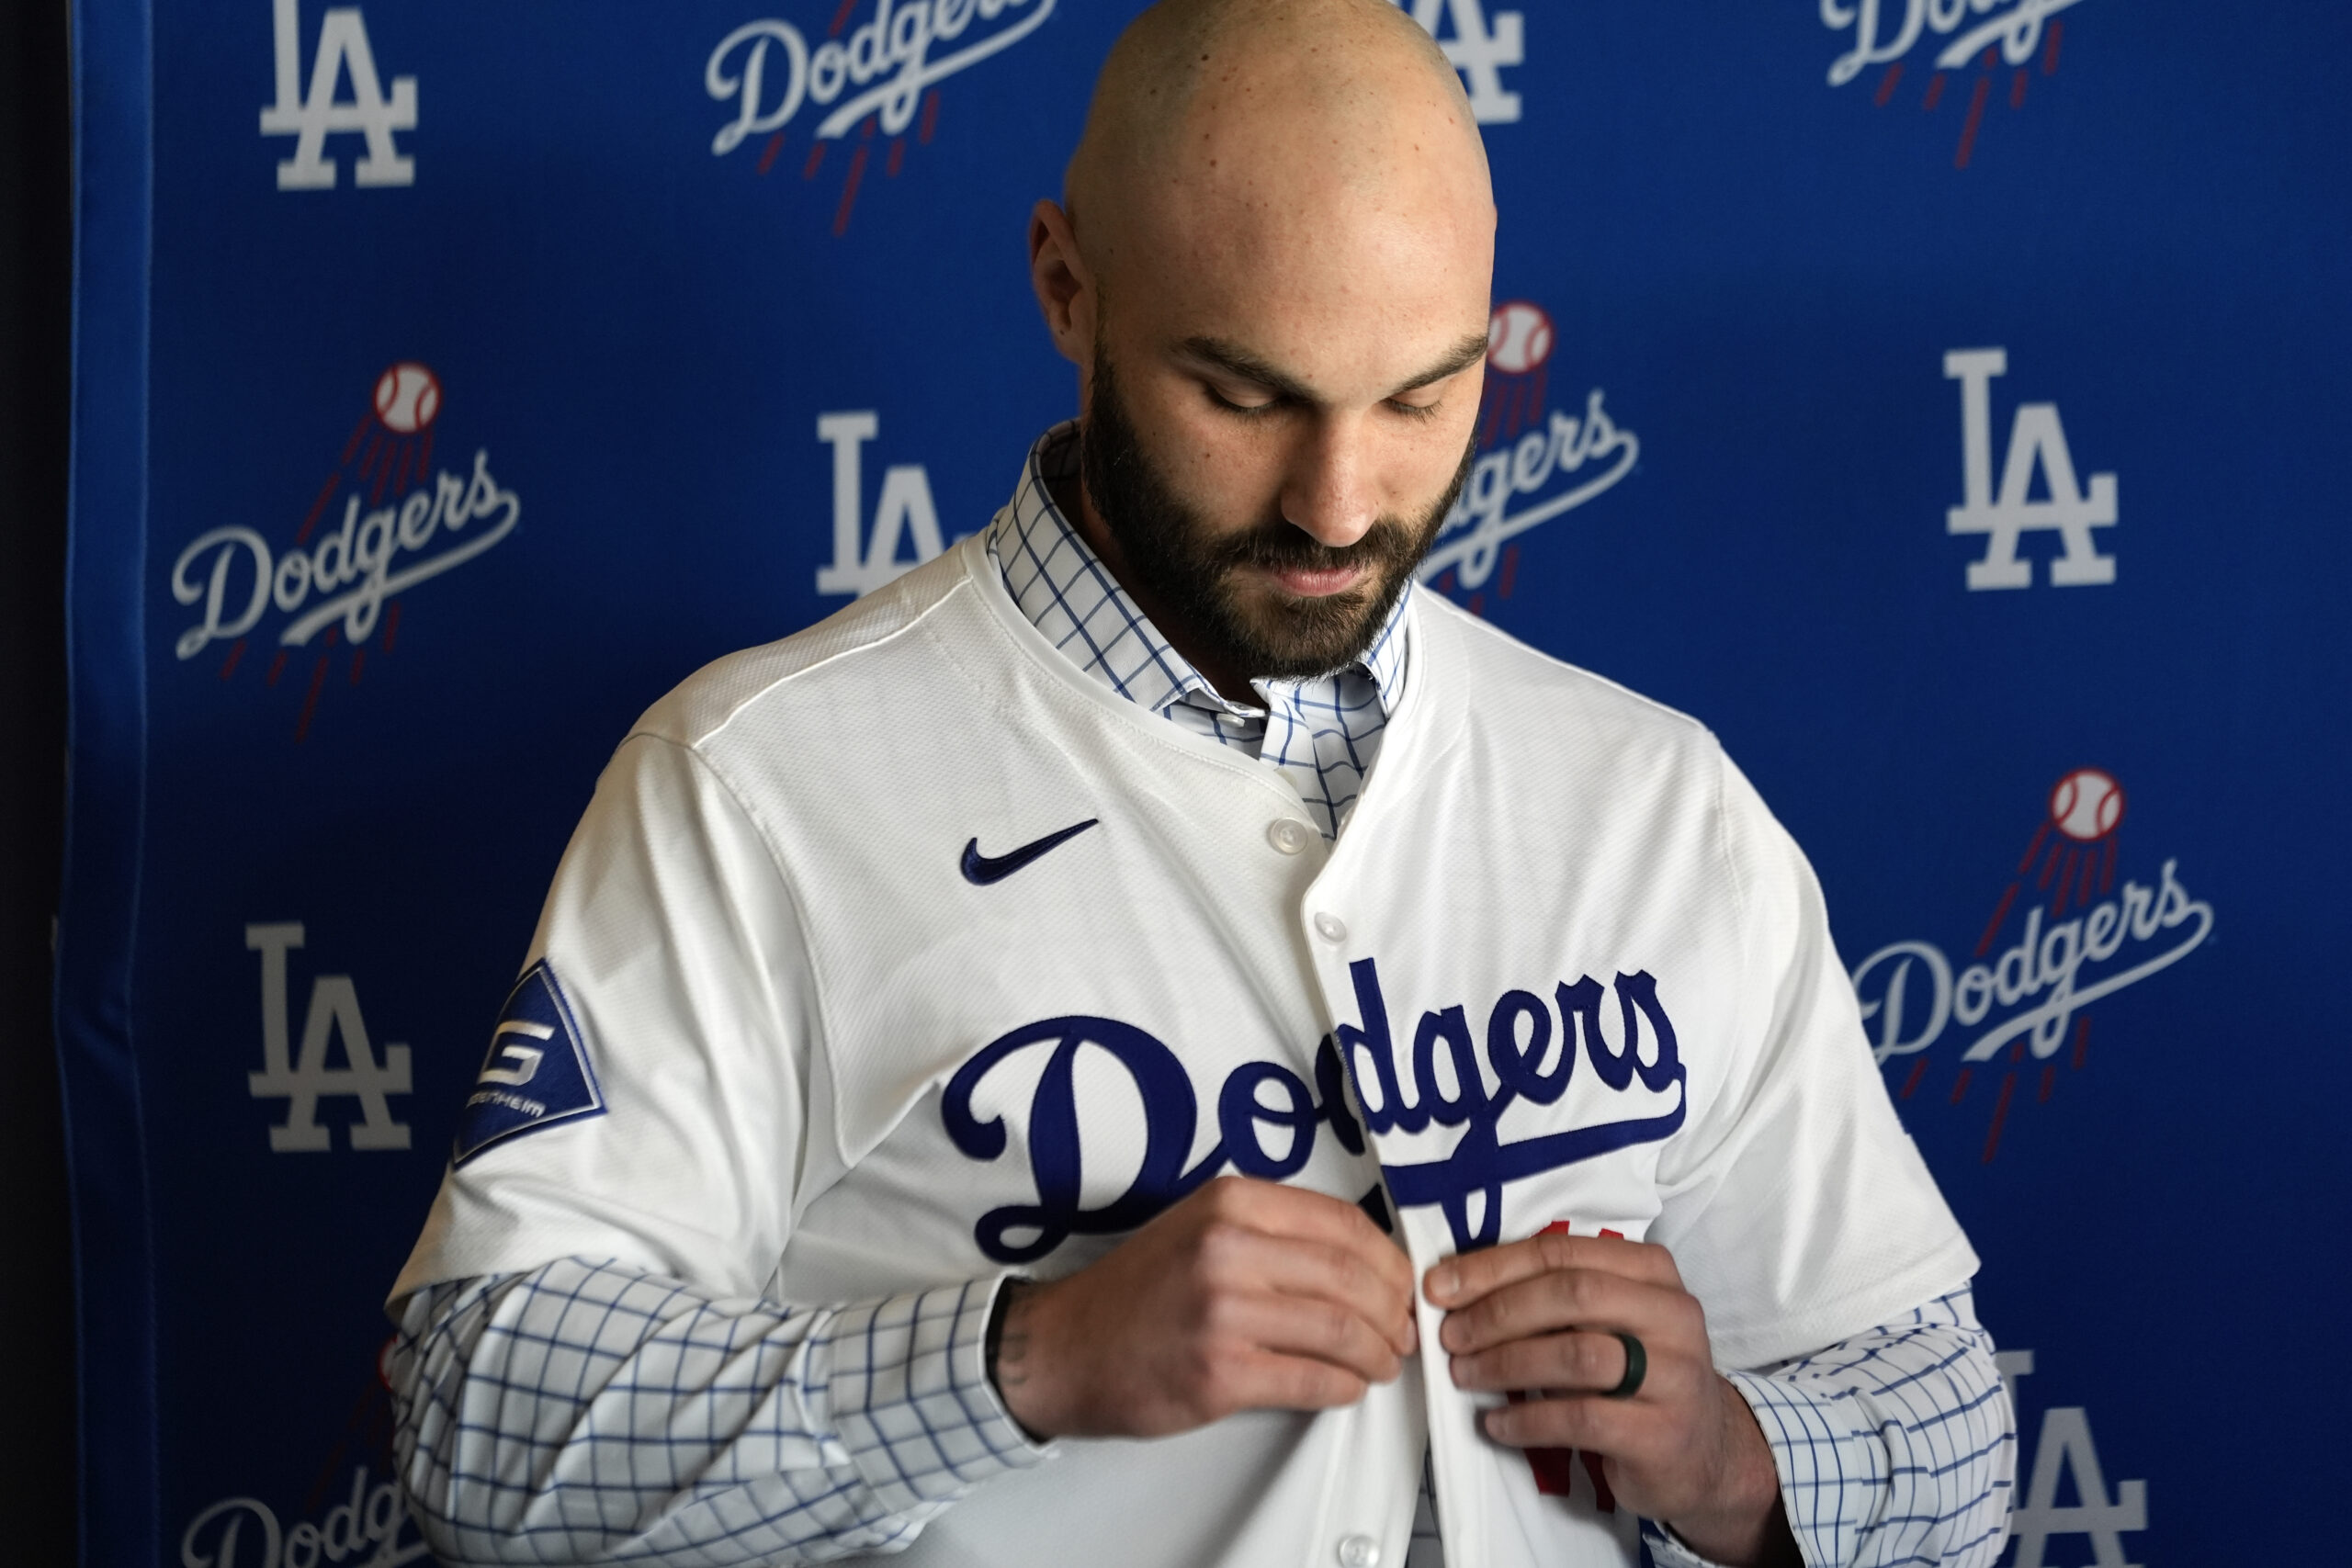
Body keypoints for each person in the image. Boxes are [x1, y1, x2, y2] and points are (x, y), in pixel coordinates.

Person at [385, 2, 2014, 1564]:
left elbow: (1948, 1430)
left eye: (1426, 396)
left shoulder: (1655, 801)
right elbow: (475, 1414)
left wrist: (1730, 1457)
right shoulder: (758, 782)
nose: (1338, 501)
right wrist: (1022, 1360)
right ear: (1067, 287)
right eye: (1245, 395)